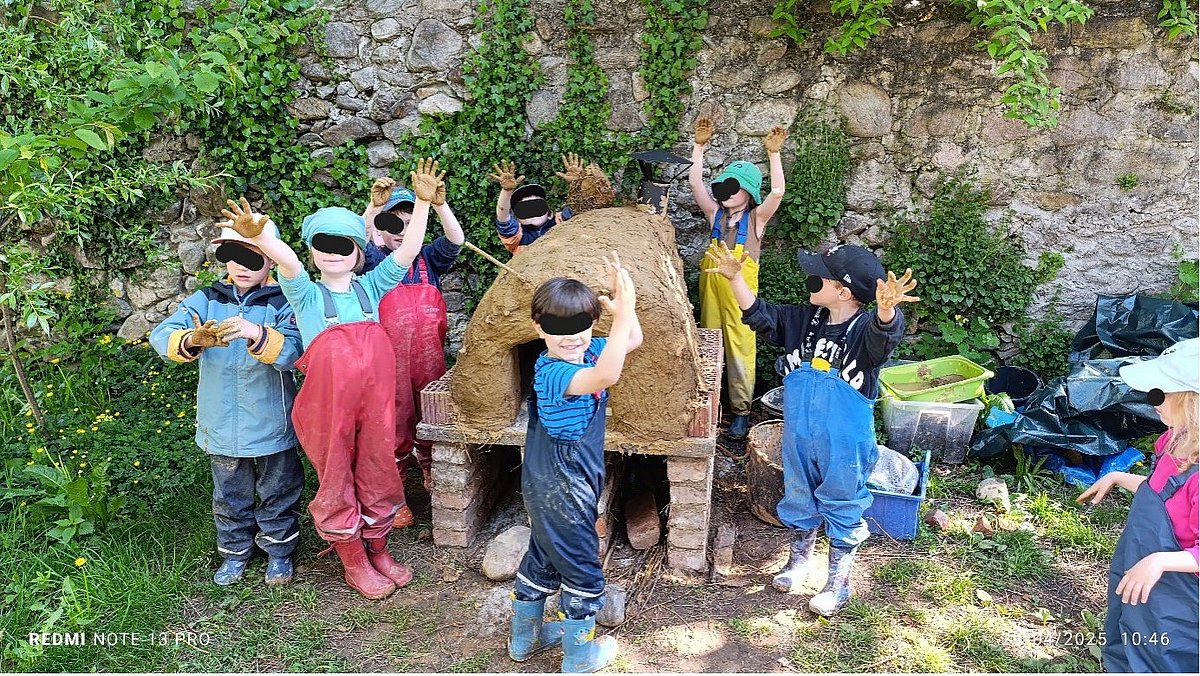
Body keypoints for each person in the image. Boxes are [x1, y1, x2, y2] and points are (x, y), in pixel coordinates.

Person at [214, 158, 442, 600]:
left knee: (378, 471)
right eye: (323, 244)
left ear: (359, 252)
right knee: (337, 476)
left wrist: (426, 206)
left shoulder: (371, 287)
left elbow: (408, 252)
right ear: (312, 250)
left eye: (343, 244)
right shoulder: (304, 292)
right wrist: (259, 237)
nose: (333, 251)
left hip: (375, 404)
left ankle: (378, 551)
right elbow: (287, 261)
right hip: (326, 408)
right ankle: (353, 561)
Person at [704, 242, 918, 616]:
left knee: (842, 501)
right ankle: (799, 562)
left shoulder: (864, 330)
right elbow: (759, 315)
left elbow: (884, 339)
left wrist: (886, 310)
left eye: (819, 275)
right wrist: (736, 279)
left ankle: (837, 584)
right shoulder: (804, 319)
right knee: (799, 495)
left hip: (844, 442)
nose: (810, 279)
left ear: (843, 291)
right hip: (800, 434)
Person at [149, 221, 304, 587]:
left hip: (273, 423)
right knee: (230, 494)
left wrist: (259, 335)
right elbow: (162, 335)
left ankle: (279, 552)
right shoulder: (206, 300)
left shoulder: (284, 301)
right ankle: (235, 553)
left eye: (253, 256)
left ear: (271, 260)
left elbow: (296, 351)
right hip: (221, 423)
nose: (242, 265)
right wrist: (191, 338)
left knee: (279, 490)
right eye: (233, 256)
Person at [509, 255, 643, 673]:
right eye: (558, 329)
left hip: (555, 481)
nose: (571, 338)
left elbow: (631, 341)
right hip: (561, 486)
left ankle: (524, 640)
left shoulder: (591, 350)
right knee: (583, 568)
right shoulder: (552, 373)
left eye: (580, 328)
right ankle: (579, 659)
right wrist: (622, 314)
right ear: (538, 329)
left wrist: (624, 310)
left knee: (544, 554)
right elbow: (606, 378)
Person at [1077, 337, 1199, 673]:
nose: (1152, 399)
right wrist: (1118, 477)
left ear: (1192, 401)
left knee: (1166, 656)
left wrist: (1159, 560)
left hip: (1179, 593)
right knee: (1127, 632)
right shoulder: (1173, 441)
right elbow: (1163, 495)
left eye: (1161, 392)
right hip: (1142, 569)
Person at [361, 178, 465, 528]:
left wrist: (438, 204)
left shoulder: (430, 260)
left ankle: (433, 473)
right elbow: (356, 246)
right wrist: (373, 209)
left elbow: (456, 240)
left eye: (409, 225)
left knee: (431, 416)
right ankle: (395, 495)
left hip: (430, 360)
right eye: (393, 225)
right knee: (393, 425)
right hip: (387, 364)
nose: (402, 233)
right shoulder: (375, 261)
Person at [689, 115, 788, 441]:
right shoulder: (714, 215)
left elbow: (777, 192)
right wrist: (699, 147)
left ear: (748, 193)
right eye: (724, 186)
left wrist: (773, 155)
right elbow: (694, 184)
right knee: (709, 344)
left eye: (734, 187)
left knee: (741, 348)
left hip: (741, 294)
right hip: (712, 291)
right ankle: (710, 407)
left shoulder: (757, 219)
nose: (726, 193)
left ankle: (741, 412)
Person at [489, 154, 589, 255]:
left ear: (549, 213)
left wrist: (577, 184)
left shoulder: (562, 222)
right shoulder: (517, 238)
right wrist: (507, 191)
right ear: (518, 219)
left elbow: (580, 205)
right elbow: (503, 218)